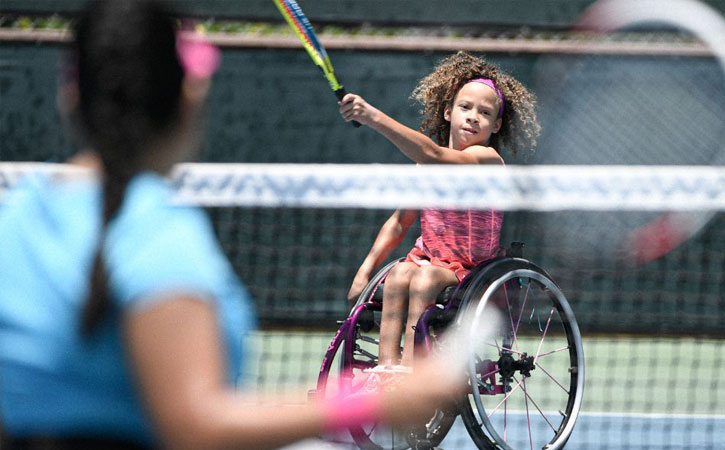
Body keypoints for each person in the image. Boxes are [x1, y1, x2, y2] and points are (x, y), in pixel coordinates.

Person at [0, 1, 462, 449]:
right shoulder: (162, 239)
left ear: (69, 95)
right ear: (190, 99)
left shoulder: (14, 216)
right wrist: (370, 405)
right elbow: (194, 426)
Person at [339, 51, 540, 370]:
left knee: (423, 279)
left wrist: (373, 117)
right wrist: (364, 273)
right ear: (448, 112)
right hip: (426, 260)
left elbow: (433, 153)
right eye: (465, 107)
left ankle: (413, 371)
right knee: (400, 273)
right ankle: (387, 368)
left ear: (496, 124)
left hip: (471, 269)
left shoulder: (486, 159)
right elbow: (399, 224)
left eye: (484, 112)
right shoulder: (426, 168)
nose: (473, 116)